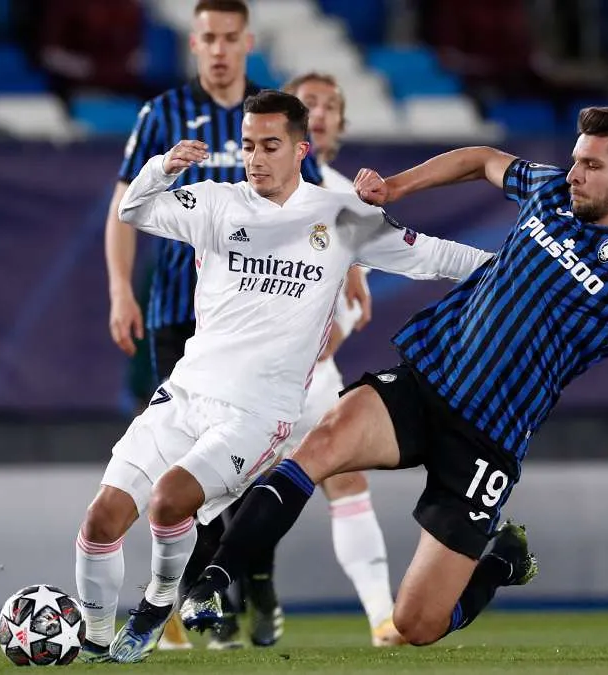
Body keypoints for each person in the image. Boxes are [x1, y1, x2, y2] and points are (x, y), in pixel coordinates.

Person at [179, 105, 608, 646]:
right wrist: (396, 188)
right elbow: (481, 158)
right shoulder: (551, 192)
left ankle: (504, 561)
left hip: (490, 442)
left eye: (592, 164)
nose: (575, 172)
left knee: (417, 623)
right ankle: (215, 581)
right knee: (317, 447)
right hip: (428, 381)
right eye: (575, 158)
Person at [78, 90, 491, 663]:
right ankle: (94, 639)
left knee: (170, 501)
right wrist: (161, 169)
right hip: (186, 391)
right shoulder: (216, 203)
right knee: (102, 518)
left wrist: (512, 272)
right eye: (247, 145)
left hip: (257, 413)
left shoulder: (341, 216)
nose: (255, 157)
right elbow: (134, 212)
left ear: (302, 149)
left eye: (270, 145)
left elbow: (434, 257)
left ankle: (155, 604)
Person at [96, 0, 371, 650]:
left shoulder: (272, 113)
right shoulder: (160, 113)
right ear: (193, 44)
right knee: (188, 470)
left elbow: (323, 206)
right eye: (207, 39)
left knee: (242, 468)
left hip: (272, 326)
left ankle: (231, 585)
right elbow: (125, 205)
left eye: (229, 38)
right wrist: (118, 289)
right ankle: (200, 601)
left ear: (248, 42)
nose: (218, 51)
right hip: (180, 316)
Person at [253, 71, 400, 648]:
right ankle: (174, 605)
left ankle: (382, 618)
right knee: (211, 493)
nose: (318, 111)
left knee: (346, 480)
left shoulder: (348, 200)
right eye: (307, 102)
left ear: (338, 124)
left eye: (329, 105)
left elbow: (351, 308)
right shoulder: (255, 192)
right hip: (251, 376)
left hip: (313, 377)